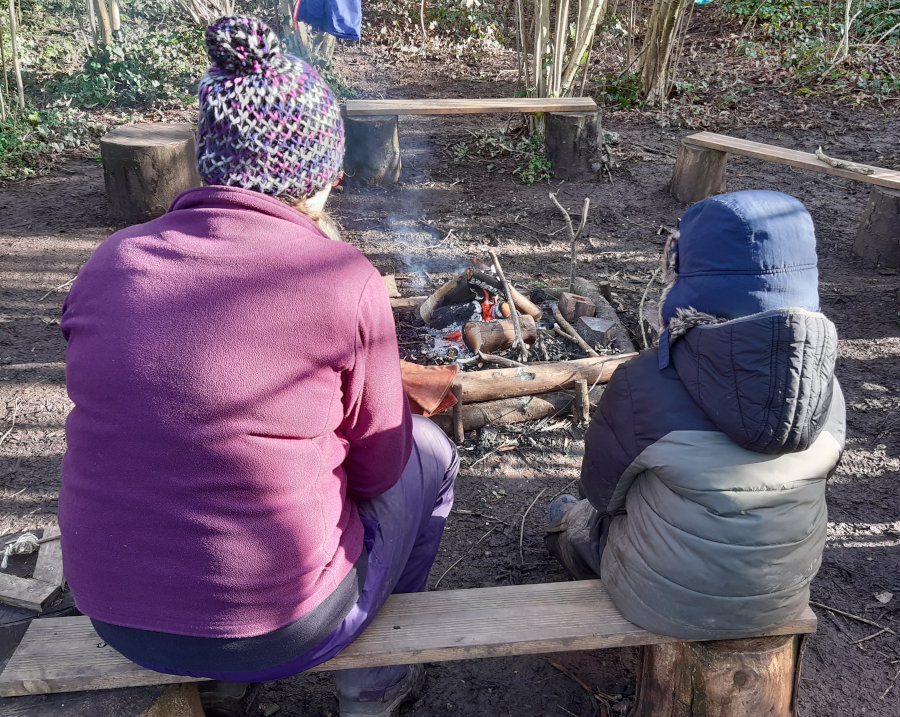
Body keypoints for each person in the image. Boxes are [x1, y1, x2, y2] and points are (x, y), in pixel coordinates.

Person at [59, 16, 458, 717]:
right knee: (432, 452)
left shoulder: (109, 262)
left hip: (116, 618)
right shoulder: (344, 279)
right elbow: (378, 470)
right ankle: (375, 687)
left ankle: (217, 685)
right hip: (283, 626)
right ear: (320, 175)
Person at [546, 190, 845, 639]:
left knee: (581, 517)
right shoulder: (829, 385)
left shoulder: (643, 380)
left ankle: (569, 544)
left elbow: (602, 492)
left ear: (689, 274)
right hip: (780, 598)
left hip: (662, 605)